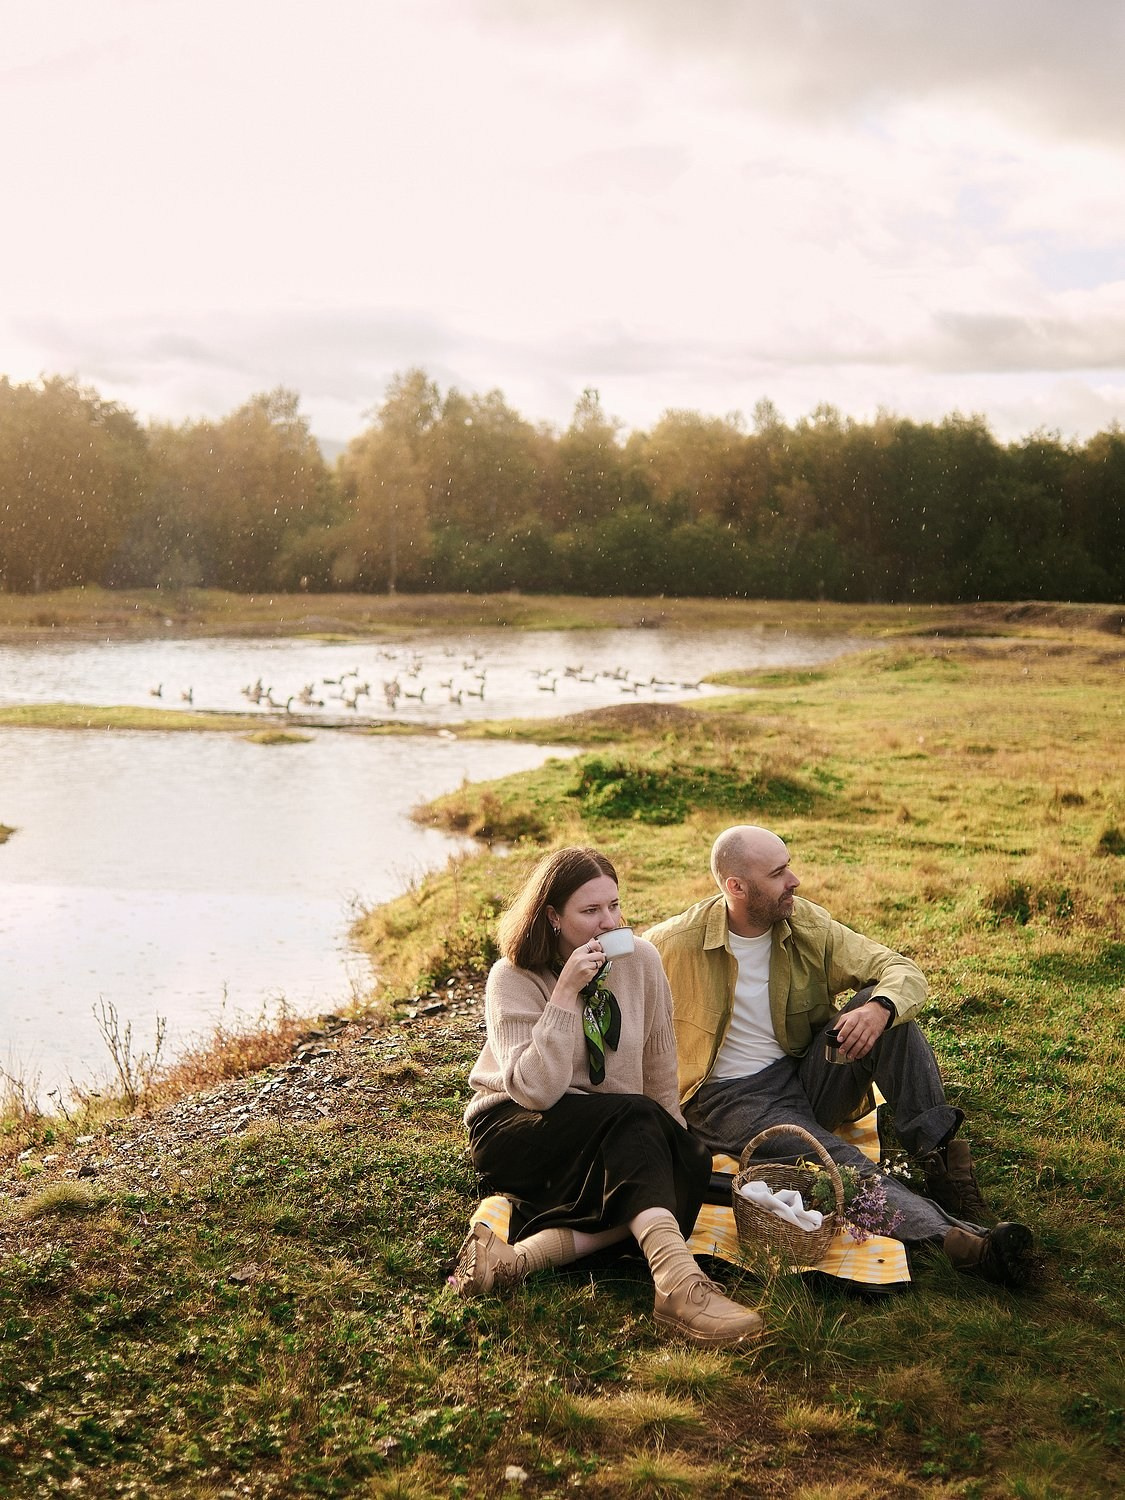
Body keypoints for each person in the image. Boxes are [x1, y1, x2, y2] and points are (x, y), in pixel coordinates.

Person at [645, 825, 1035, 1288]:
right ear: (737, 887)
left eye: (788, 865)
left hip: (802, 1070)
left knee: (888, 1014)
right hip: (729, 1100)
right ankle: (959, 1242)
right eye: (778, 873)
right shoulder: (671, 944)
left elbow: (899, 969)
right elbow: (614, 999)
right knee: (841, 1163)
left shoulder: (806, 925)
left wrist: (879, 1009)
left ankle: (942, 1165)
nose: (794, 880)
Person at [451, 845, 765, 1345]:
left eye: (614, 906)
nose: (609, 922)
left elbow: (660, 1066)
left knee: (684, 1163)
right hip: (517, 1125)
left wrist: (672, 1150)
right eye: (590, 911)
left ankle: (516, 1261)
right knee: (639, 1134)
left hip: (613, 1127)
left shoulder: (639, 959)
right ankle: (679, 1288)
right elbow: (535, 1090)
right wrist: (564, 996)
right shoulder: (511, 978)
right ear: (552, 916)